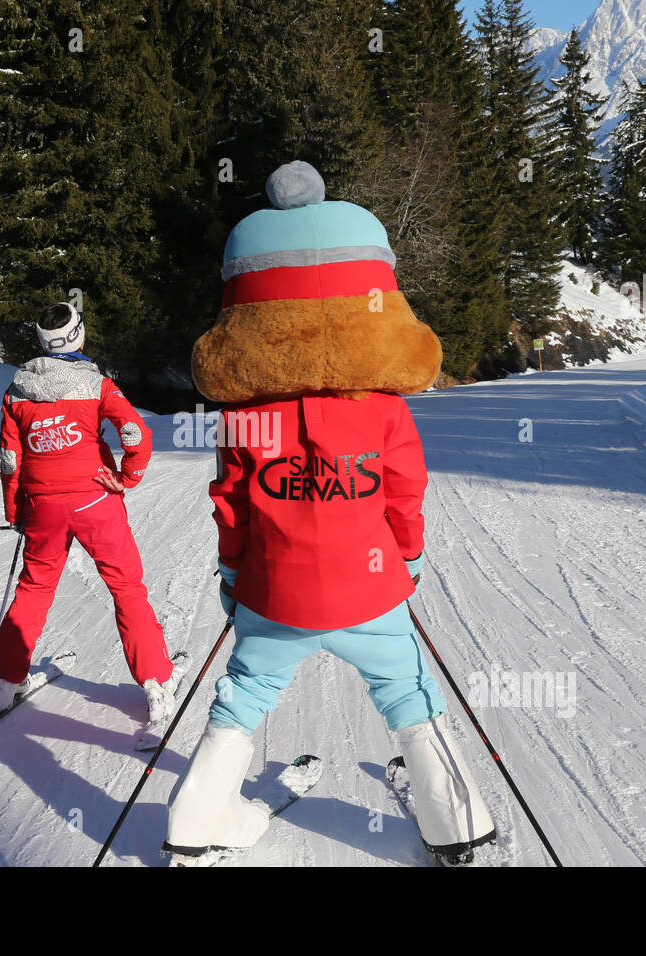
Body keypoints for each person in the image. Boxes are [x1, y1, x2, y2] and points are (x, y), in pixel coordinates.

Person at [165, 162, 496, 865]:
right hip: (370, 590)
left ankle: (195, 820)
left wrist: (233, 577)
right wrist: (404, 558)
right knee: (407, 688)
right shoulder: (385, 410)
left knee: (244, 694)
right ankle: (458, 825)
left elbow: (230, 506)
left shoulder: (244, 420)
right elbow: (405, 495)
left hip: (274, 592)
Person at [0, 303, 182, 727]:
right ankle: (156, 684)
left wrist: (14, 509)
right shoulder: (97, 385)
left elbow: (9, 459)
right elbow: (135, 433)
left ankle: (3, 685)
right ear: (79, 337)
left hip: (42, 508)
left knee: (34, 589)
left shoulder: (18, 390)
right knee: (126, 588)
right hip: (95, 503)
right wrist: (128, 477)